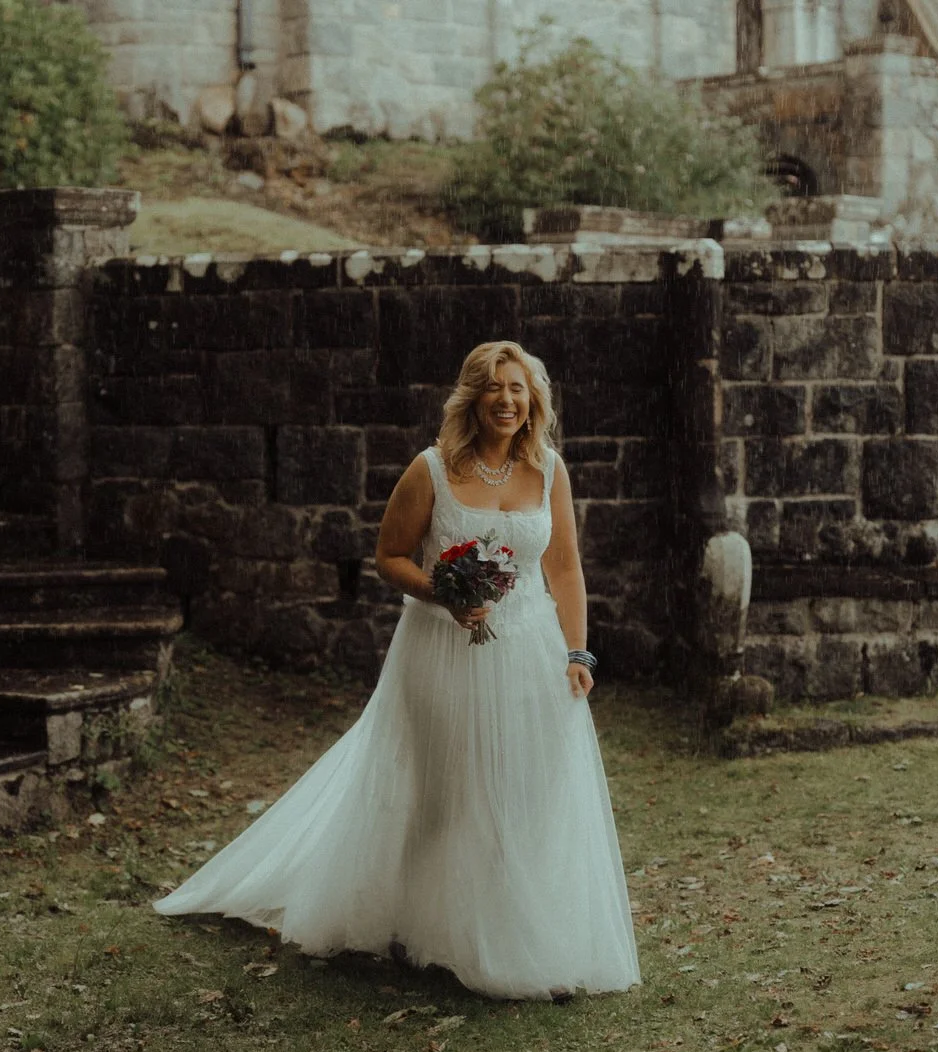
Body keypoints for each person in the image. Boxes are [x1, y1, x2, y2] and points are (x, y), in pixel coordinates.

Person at [153, 341, 640, 1000]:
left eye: (518, 388)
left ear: (534, 400)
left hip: (530, 650)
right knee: (445, 792)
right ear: (474, 396)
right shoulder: (432, 469)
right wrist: (448, 592)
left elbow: (564, 567)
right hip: (439, 651)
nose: (506, 399)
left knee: (524, 791)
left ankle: (513, 931)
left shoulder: (549, 469)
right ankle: (422, 929)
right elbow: (389, 556)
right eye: (495, 387)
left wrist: (578, 652)